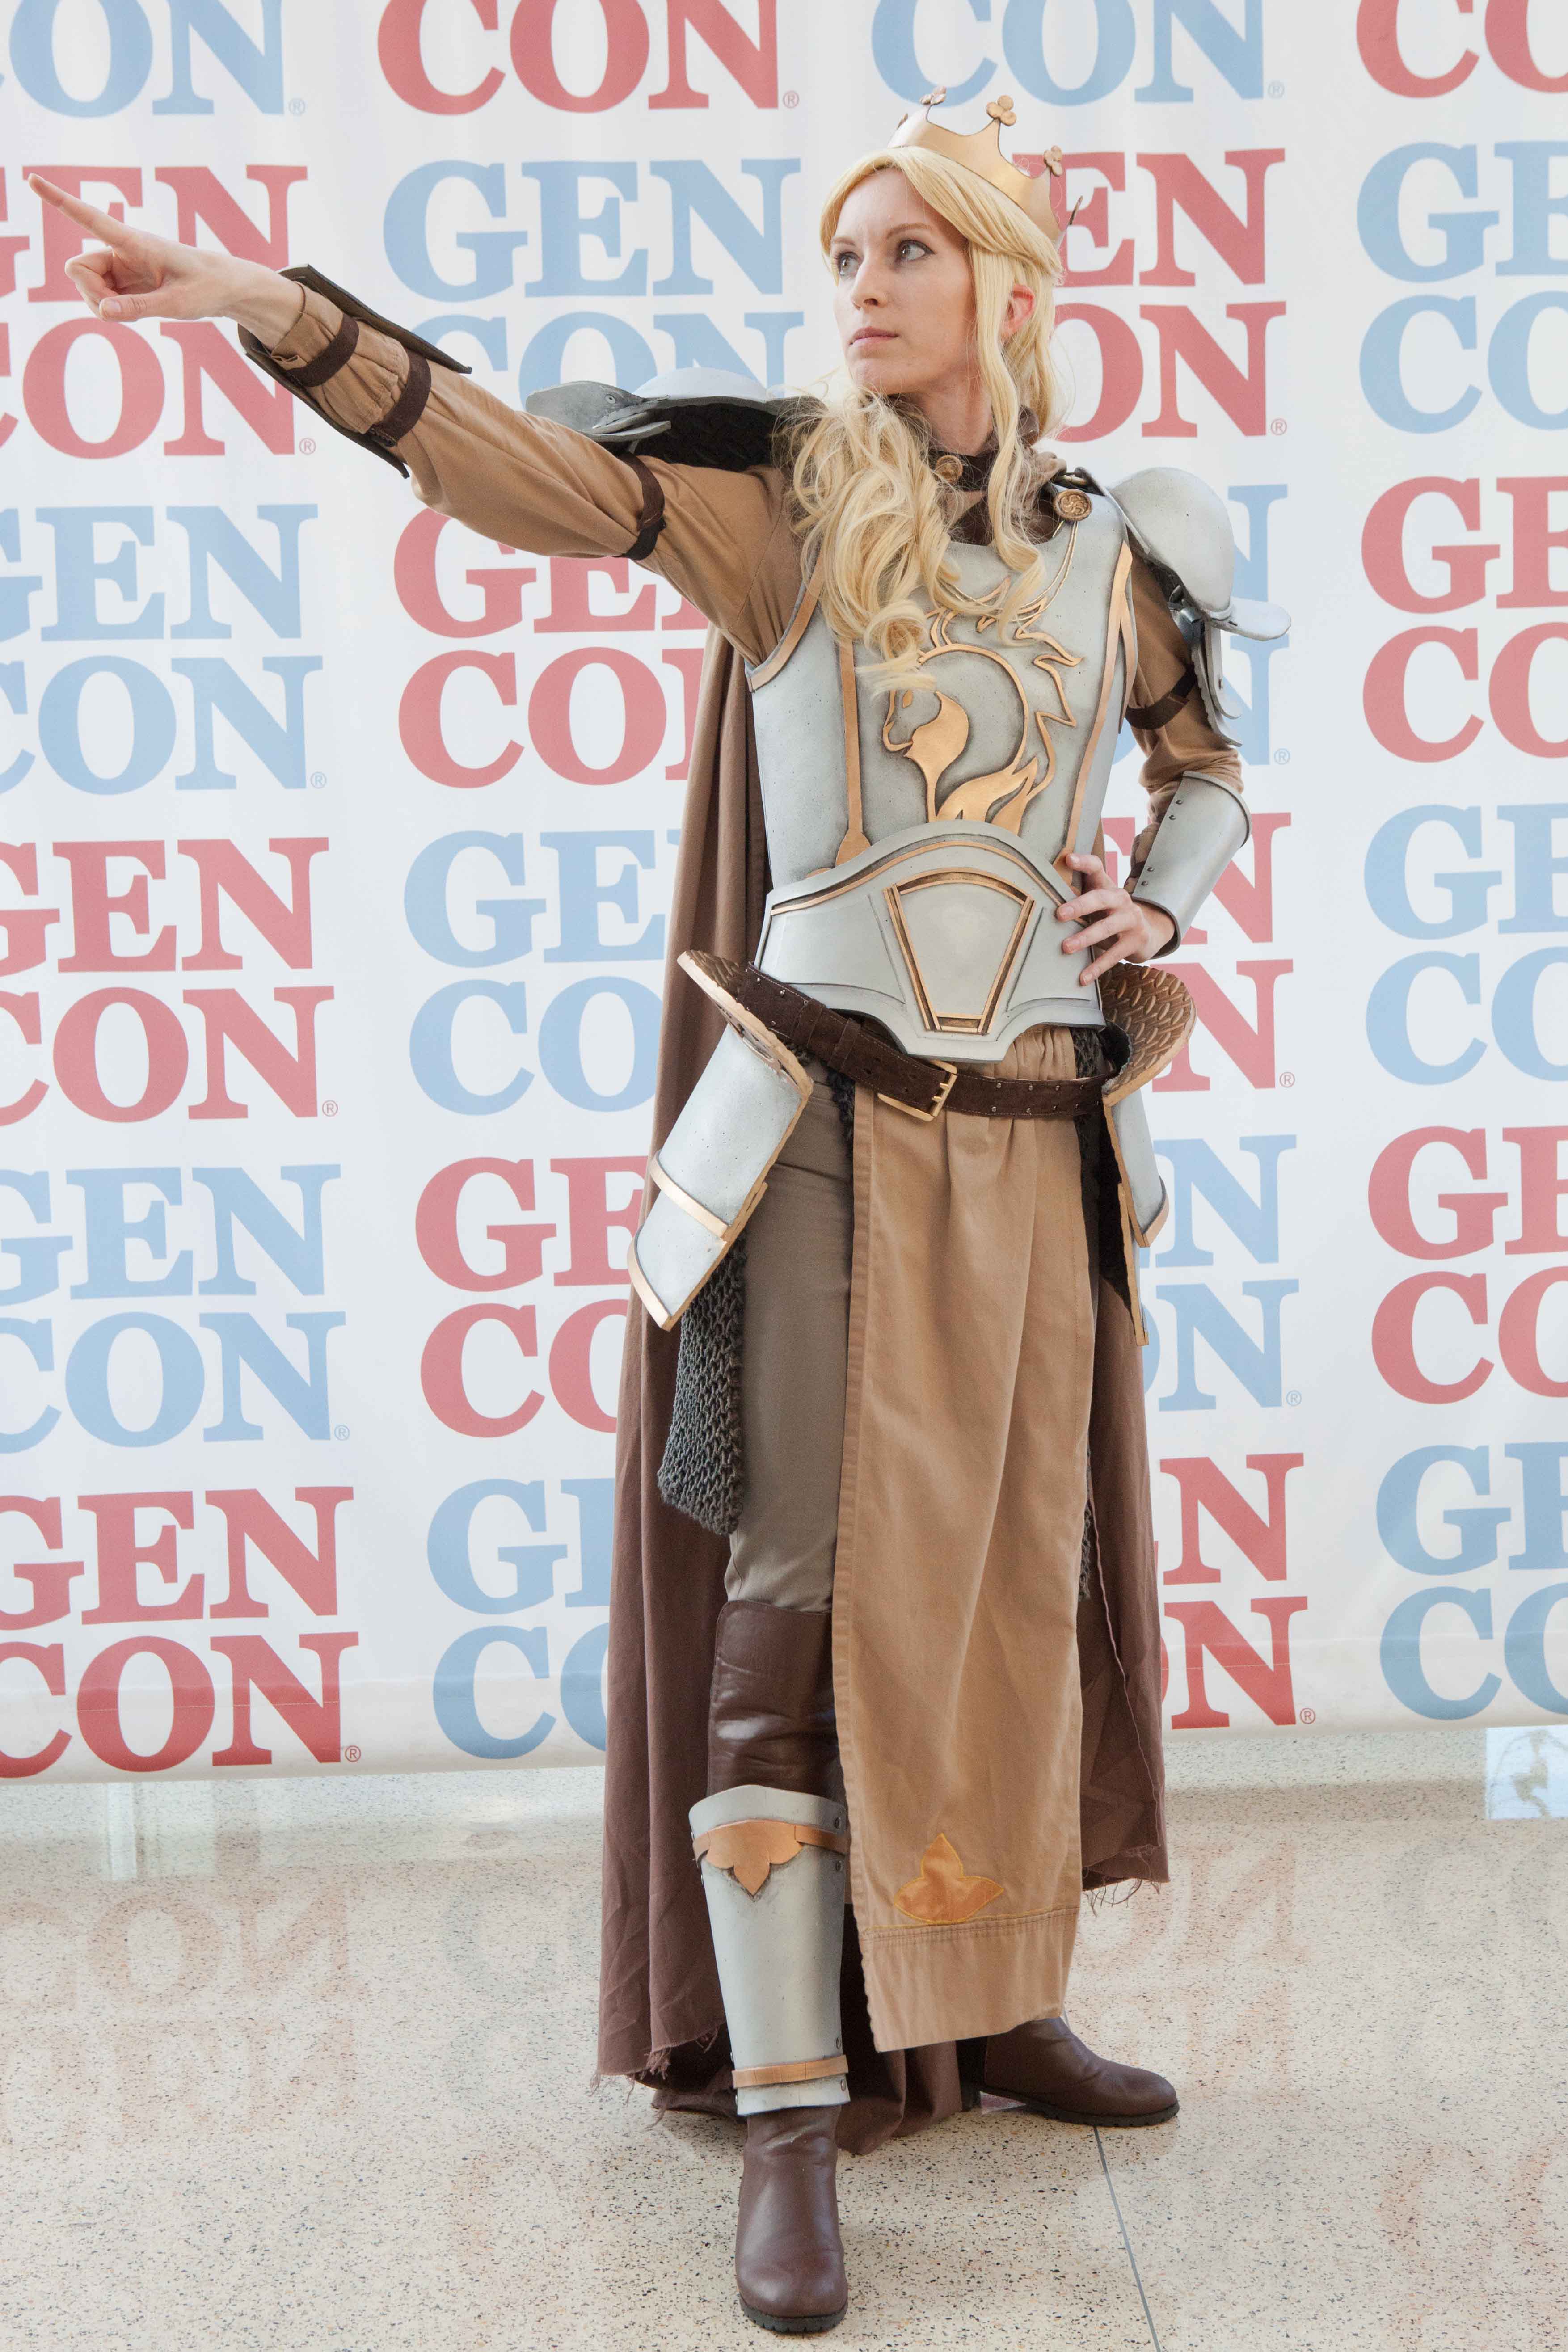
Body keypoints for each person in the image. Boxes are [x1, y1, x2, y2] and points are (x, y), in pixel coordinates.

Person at [31, 90, 1284, 2335]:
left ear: (1008, 281)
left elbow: (1204, 760)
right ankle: (792, 2111)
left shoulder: (1124, 537)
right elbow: (523, 473)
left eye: (908, 251)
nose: (862, 288)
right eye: (847, 256)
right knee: (790, 1593)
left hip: (1036, 1133)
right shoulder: (780, 510)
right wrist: (267, 310)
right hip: (820, 1122)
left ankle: (994, 1999)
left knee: (1014, 1575)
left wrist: (1154, 905)